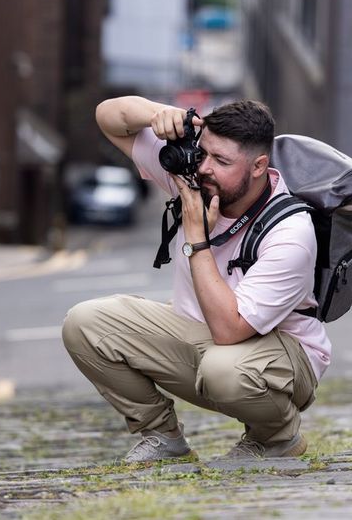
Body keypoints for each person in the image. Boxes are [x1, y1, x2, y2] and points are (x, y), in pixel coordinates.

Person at [61, 96, 331, 462]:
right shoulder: (194, 181)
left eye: (222, 161)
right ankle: (163, 437)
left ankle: (275, 438)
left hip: (280, 359)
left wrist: (197, 239)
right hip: (200, 337)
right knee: (85, 323)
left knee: (225, 370)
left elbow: (229, 329)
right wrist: (160, 116)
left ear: (258, 167)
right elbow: (108, 116)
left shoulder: (289, 232)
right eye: (204, 153)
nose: (205, 168)